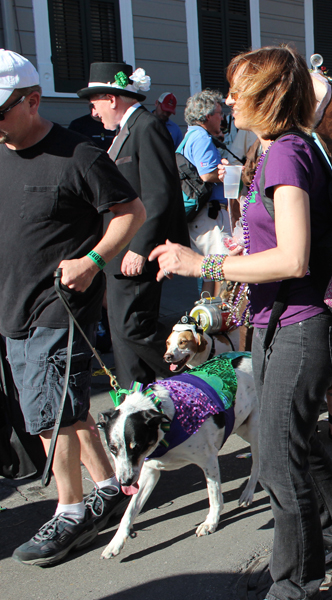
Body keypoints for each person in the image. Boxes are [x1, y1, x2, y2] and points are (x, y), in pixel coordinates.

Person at [150, 45, 332, 600]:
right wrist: (245, 247)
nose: (228, 100)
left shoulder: (287, 153)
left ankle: (294, 583)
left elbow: (293, 258)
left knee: (275, 459)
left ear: (270, 97)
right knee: (291, 444)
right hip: (278, 322)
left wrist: (202, 264)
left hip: (300, 324)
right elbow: (282, 239)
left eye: (237, 90)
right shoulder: (277, 148)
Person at [0, 49, 146, 566]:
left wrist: (92, 260)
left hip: (59, 304)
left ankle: (70, 510)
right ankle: (107, 486)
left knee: (50, 414)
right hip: (11, 304)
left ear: (32, 100)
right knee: (64, 408)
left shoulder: (79, 154)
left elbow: (131, 211)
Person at [79, 62, 190, 389]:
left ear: (112, 98)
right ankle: (136, 400)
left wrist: (141, 248)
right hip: (118, 253)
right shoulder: (127, 131)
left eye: (95, 103)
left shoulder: (147, 127)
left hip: (135, 252)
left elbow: (159, 194)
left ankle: (196, 377)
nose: (94, 113)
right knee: (122, 334)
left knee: (133, 329)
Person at [179, 89, 231, 297]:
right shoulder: (201, 137)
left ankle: (208, 311)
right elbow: (207, 174)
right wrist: (229, 172)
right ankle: (218, 312)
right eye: (219, 113)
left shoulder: (190, 135)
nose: (222, 118)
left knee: (209, 273)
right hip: (210, 215)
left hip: (201, 215)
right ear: (207, 115)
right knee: (221, 269)